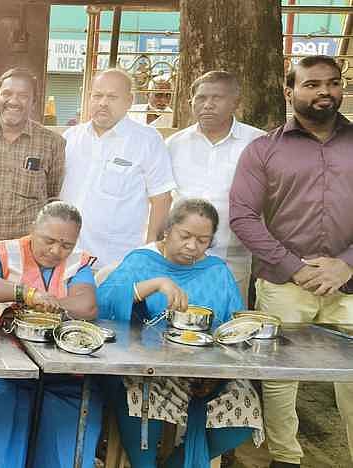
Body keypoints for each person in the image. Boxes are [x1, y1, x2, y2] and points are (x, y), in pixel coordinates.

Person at [230, 55, 353, 468]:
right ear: (289, 92)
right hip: (285, 283)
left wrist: (346, 264)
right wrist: (295, 267)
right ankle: (285, 458)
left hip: (350, 284)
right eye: (312, 84)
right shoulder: (263, 150)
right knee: (280, 378)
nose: (324, 92)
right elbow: (243, 216)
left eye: (332, 83)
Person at [98, 199, 260, 468]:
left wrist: (218, 374)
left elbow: (234, 329)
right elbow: (102, 303)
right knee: (140, 398)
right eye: (185, 236)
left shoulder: (217, 272)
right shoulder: (142, 261)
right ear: (167, 230)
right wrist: (154, 284)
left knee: (244, 409)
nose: (192, 246)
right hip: (145, 369)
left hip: (205, 372)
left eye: (202, 240)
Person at [0, 201, 99, 468]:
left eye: (66, 245)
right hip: (6, 366)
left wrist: (52, 304)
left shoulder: (78, 263)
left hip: (60, 371)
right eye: (49, 240)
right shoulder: (7, 253)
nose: (56, 251)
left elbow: (87, 305)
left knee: (73, 415)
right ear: (33, 228)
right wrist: (27, 294)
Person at [60, 68, 175, 270]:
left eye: (112, 97)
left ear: (129, 101)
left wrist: (148, 254)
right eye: (97, 95)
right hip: (64, 257)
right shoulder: (71, 137)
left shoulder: (147, 140)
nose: (103, 103)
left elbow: (162, 199)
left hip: (115, 263)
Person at [167, 70, 264, 305]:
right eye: (201, 98)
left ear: (236, 102)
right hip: (179, 259)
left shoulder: (258, 143)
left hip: (233, 259)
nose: (208, 105)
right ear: (191, 102)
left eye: (217, 98)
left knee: (228, 321)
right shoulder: (173, 144)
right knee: (175, 317)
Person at [0, 67, 65, 272]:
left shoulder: (52, 143)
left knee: (22, 295)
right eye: (6, 93)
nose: (13, 101)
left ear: (34, 102)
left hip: (25, 254)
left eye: (23, 96)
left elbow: (52, 195)